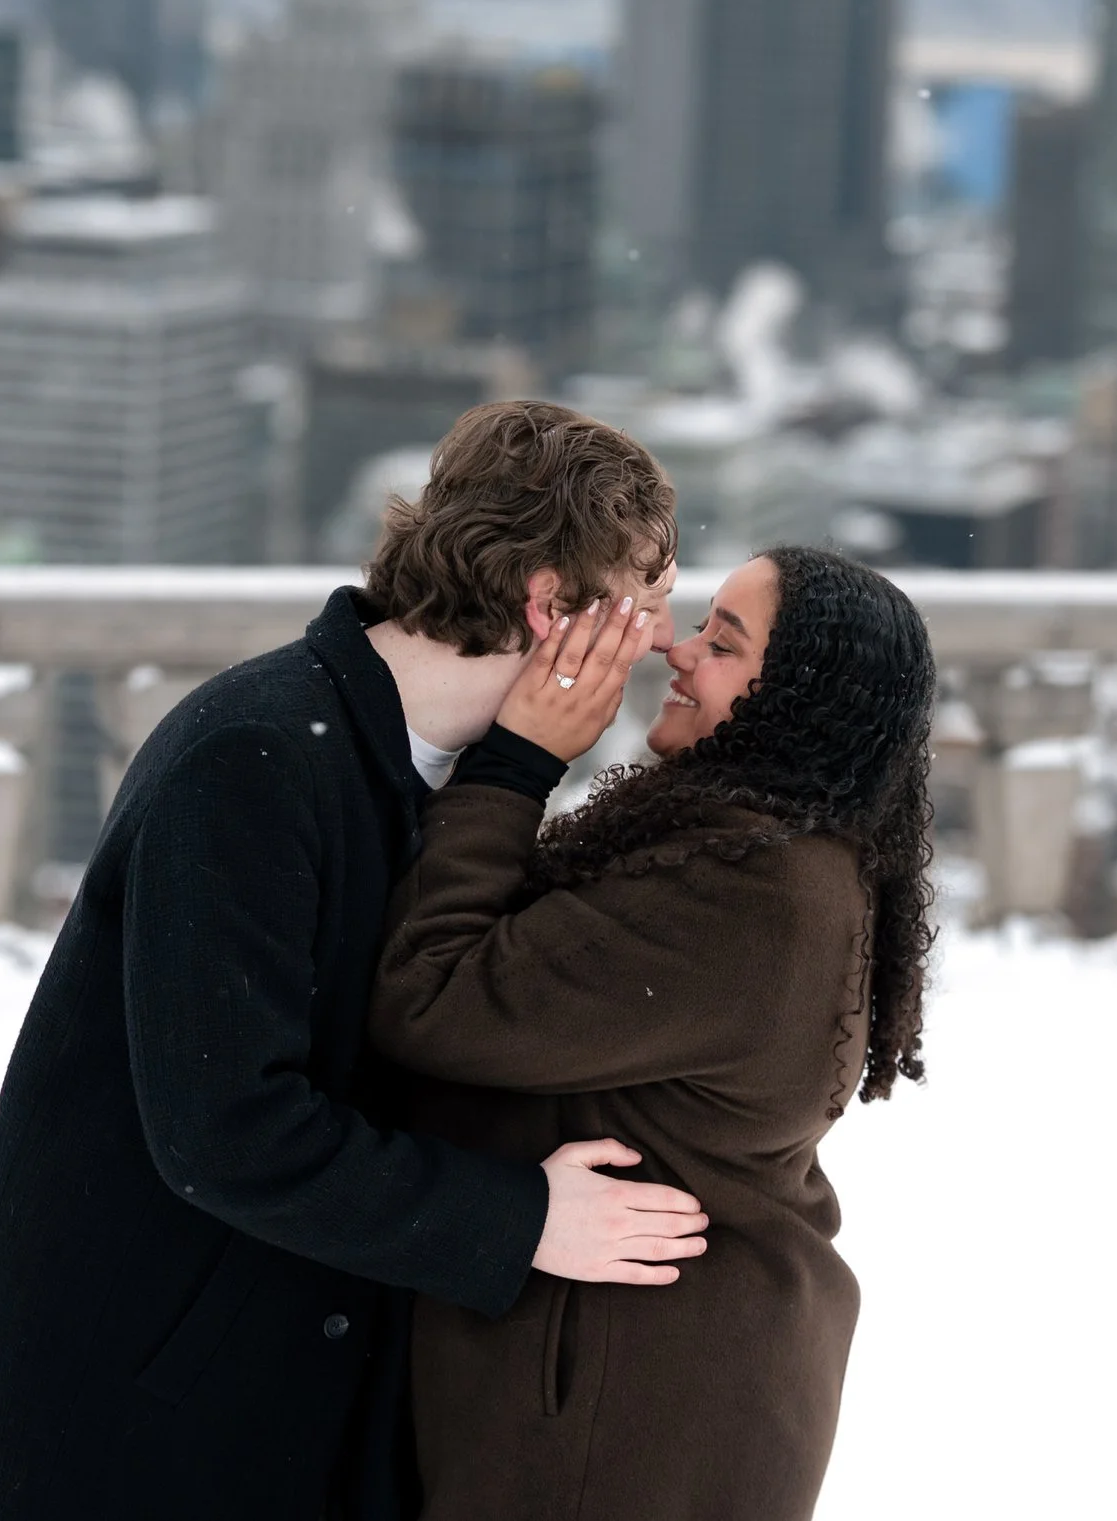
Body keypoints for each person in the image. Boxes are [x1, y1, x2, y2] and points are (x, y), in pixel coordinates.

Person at [0, 401, 712, 1520]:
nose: (670, 642)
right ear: (551, 609)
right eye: (656, 600)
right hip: (138, 1428)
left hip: (281, 1402)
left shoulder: (456, 766)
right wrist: (519, 1222)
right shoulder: (253, 755)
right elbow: (225, 1129)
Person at [370, 545, 939, 1521]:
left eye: (723, 641)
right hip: (669, 1382)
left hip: (617, 1415)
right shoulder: (766, 857)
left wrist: (515, 765)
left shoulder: (745, 894)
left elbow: (434, 996)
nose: (675, 651)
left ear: (794, 695)